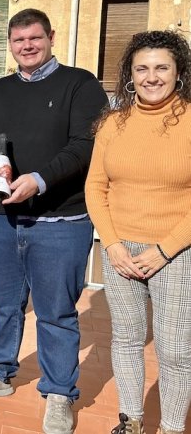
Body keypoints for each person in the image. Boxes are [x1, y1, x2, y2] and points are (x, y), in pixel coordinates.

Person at [0, 8, 106, 434]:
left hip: (60, 222)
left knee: (56, 312)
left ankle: (59, 392)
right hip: (2, 218)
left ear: (50, 37)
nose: (27, 46)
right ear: (10, 43)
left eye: (35, 38)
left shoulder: (80, 85)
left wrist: (39, 181)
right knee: (3, 303)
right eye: (19, 39)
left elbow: (85, 145)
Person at [85, 31, 191, 434]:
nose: (151, 77)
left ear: (178, 72)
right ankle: (130, 419)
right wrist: (110, 244)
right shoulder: (114, 123)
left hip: (177, 252)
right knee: (127, 340)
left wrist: (165, 249)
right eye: (142, 68)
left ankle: (171, 427)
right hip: (121, 252)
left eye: (161, 67)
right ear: (130, 75)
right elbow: (96, 186)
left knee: (176, 350)